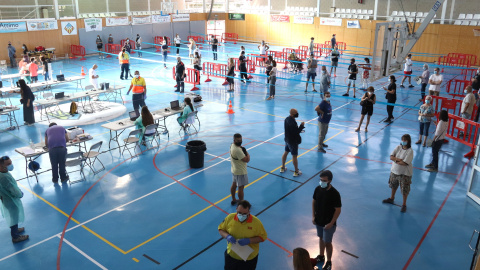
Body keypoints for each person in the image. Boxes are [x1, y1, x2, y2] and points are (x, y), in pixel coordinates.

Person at [218, 200, 267, 270]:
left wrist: (249, 240)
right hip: (231, 255)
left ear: (249, 212)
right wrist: (227, 236)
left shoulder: (256, 223)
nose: (241, 215)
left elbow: (263, 237)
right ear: (236, 209)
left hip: (248, 258)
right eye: (239, 213)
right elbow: (221, 229)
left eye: (244, 214)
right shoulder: (230, 218)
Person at [312, 170, 341, 270]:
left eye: (324, 180)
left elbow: (338, 210)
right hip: (319, 220)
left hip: (328, 223)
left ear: (330, 181)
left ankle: (328, 262)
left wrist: (331, 223)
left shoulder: (335, 194)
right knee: (320, 238)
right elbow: (314, 202)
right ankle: (321, 256)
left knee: (328, 242)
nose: (321, 182)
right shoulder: (318, 189)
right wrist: (313, 216)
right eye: (320, 180)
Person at [0, 156, 29, 243]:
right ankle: (15, 236)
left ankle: (15, 230)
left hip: (5, 198)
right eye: (8, 164)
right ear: (1, 166)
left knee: (13, 216)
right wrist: (20, 194)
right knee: (14, 216)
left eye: (11, 162)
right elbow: (14, 191)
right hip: (10, 200)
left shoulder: (3, 172)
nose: (11, 165)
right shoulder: (4, 177)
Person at [382, 134, 414, 212]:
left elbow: (405, 163)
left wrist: (395, 160)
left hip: (405, 173)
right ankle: (392, 198)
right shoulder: (398, 147)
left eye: (405, 140)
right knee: (393, 185)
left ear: (408, 141)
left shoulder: (410, 151)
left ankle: (404, 204)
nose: (403, 141)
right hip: (394, 171)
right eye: (402, 140)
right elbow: (391, 157)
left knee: (404, 189)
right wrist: (398, 160)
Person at [281, 108, 305, 177]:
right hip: (293, 141)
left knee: (285, 152)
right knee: (294, 156)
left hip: (287, 140)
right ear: (292, 113)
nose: (297, 114)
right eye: (296, 112)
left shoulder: (287, 119)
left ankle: (282, 167)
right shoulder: (292, 122)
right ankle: (296, 171)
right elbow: (296, 132)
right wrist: (301, 126)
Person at [229, 134, 250, 205]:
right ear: (234, 140)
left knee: (234, 184)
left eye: (241, 140)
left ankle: (234, 199)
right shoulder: (238, 150)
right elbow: (247, 159)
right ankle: (241, 203)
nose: (240, 142)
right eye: (238, 141)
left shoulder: (232, 145)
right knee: (241, 188)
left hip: (234, 169)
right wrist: (246, 152)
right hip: (240, 172)